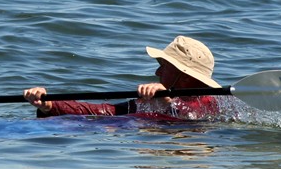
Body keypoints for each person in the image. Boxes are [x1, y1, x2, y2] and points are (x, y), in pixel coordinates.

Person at [23, 35, 221, 121]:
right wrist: (49, 104)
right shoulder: (146, 103)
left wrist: (166, 103)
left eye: (163, 67)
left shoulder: (211, 105)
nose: (157, 73)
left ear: (185, 78)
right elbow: (103, 111)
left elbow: (192, 119)